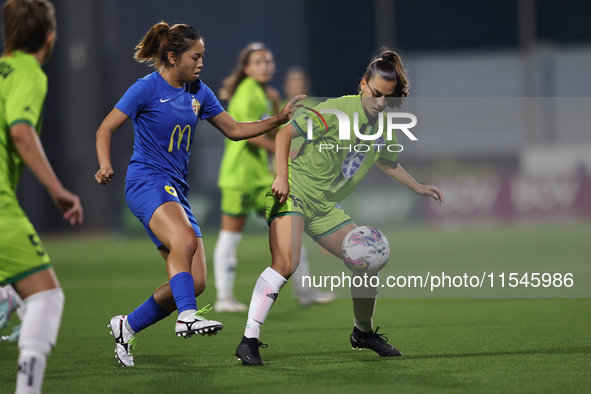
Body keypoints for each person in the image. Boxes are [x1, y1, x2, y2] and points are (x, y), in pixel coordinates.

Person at [94, 22, 302, 367]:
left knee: (198, 281)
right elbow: (106, 127)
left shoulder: (198, 91)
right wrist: (104, 164)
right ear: (173, 57)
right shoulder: (146, 88)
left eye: (202, 56)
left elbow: (234, 130)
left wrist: (277, 119)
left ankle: (126, 325)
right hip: (146, 181)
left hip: (175, 189)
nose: (201, 63)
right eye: (196, 56)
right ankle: (187, 316)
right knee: (185, 243)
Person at [235, 50, 445, 365]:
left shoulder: (383, 126)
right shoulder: (334, 111)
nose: (379, 102)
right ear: (363, 85)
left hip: (324, 208)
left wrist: (417, 186)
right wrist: (281, 176)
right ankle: (248, 339)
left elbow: (387, 163)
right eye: (375, 93)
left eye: (386, 98)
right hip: (294, 193)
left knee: (368, 260)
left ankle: (362, 332)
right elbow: (283, 134)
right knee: (286, 264)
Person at [0, 1, 84, 392]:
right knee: (47, 296)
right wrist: (57, 188)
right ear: (50, 37)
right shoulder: (29, 72)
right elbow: (21, 130)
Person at [214, 43, 332, 312]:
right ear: (246, 68)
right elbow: (247, 134)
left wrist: (277, 110)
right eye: (257, 62)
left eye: (268, 61)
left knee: (292, 225)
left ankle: (305, 291)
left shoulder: (264, 94)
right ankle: (223, 297)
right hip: (240, 176)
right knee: (231, 236)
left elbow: (268, 129)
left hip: (259, 176)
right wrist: (285, 151)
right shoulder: (246, 94)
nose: (265, 66)